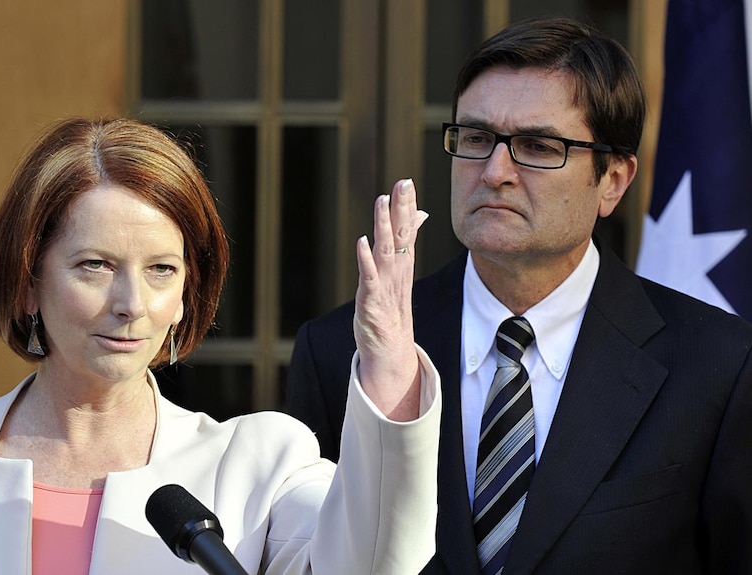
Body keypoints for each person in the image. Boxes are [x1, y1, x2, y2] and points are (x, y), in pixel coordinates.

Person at [286, 16, 752, 575]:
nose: (495, 171)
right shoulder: (340, 352)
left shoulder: (718, 365)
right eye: (477, 139)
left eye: (537, 145)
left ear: (613, 181)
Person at [0, 117, 441, 575]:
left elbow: (374, 563)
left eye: (161, 270)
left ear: (184, 296)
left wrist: (388, 365)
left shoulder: (259, 464)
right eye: (95, 266)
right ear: (28, 282)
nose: (132, 303)